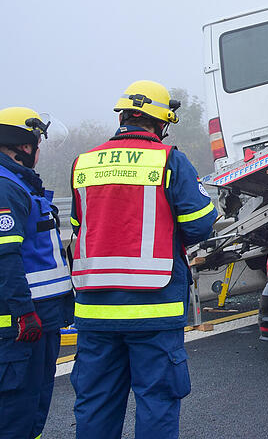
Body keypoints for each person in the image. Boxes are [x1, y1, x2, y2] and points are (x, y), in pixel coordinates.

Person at [70, 81, 218, 439]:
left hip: (94, 311)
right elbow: (200, 224)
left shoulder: (83, 163)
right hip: (154, 307)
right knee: (157, 401)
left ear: (122, 116)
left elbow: (78, 225)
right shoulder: (169, 160)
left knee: (96, 404)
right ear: (160, 123)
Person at [0, 107, 73, 439]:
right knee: (18, 413)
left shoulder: (19, 184)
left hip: (41, 319)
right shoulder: (6, 188)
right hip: (23, 324)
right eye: (38, 141)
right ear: (24, 145)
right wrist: (25, 313)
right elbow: (6, 257)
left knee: (33, 409)